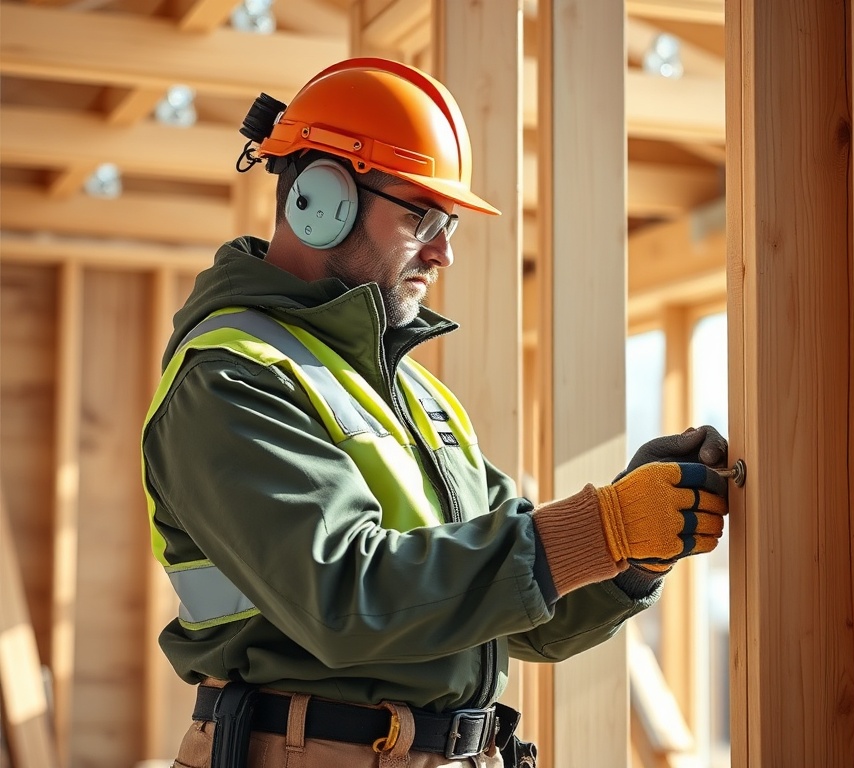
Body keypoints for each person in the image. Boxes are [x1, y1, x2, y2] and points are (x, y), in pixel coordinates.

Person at [140, 57, 730, 768]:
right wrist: (600, 527)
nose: (445, 251)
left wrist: (629, 558)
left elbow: (516, 614)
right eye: (423, 215)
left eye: (448, 221)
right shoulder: (231, 376)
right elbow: (346, 598)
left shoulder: (415, 399)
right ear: (318, 199)